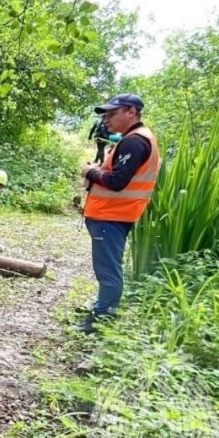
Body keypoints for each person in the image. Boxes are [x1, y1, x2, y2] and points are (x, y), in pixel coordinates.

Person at [77, 94, 158, 334]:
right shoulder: (134, 139)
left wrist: (90, 172)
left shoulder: (135, 142)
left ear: (131, 112)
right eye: (105, 115)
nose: (106, 120)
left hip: (111, 216)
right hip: (112, 215)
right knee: (108, 267)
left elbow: (117, 181)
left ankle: (101, 319)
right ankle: (102, 308)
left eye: (112, 114)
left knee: (107, 270)